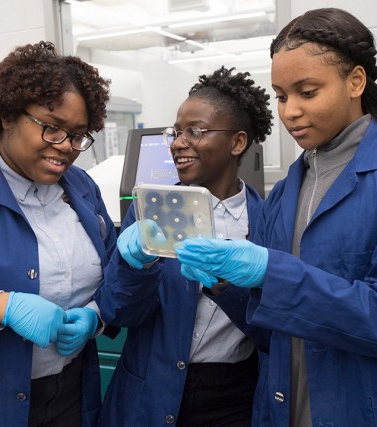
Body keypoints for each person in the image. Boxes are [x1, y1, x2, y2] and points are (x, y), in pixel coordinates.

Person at [174, 7, 377, 427]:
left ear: (355, 81)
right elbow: (271, 331)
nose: (290, 112)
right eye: (282, 96)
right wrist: (225, 283)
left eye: (307, 91)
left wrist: (271, 271)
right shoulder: (287, 191)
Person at [0, 41, 117, 426]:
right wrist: (2, 306)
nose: (67, 148)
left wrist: (96, 316)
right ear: (8, 115)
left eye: (78, 135)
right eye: (52, 128)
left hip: (71, 394)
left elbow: (112, 279)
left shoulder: (82, 188)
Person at [94, 66, 273, 426]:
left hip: (232, 396)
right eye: (175, 132)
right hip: (151, 388)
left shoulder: (266, 221)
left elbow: (272, 332)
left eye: (195, 131)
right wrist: (134, 267)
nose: (177, 143)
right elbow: (117, 313)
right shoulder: (151, 211)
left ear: (237, 142)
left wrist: (226, 288)